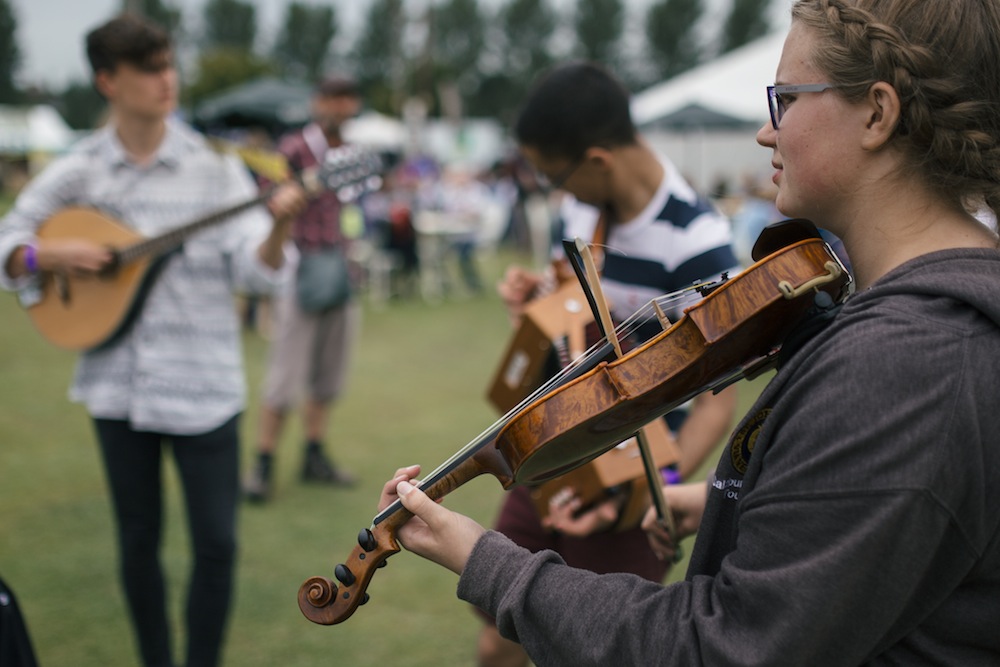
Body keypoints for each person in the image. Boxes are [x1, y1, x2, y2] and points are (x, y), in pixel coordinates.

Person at [379, 0, 1000, 664]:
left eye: (784, 99)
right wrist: (727, 496)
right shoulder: (918, 329)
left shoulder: (902, 364)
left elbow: (723, 647)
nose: (767, 133)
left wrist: (491, 563)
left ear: (878, 113)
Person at [0, 14, 304, 667]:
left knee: (217, 544)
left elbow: (258, 271)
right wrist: (48, 252)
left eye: (169, 65)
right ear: (108, 80)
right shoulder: (79, 169)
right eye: (149, 69)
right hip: (119, 387)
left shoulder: (215, 167)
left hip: (206, 384)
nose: (167, 80)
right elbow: (7, 245)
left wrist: (278, 229)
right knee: (138, 541)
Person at [478, 61, 740, 667]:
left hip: (630, 485)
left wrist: (660, 492)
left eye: (557, 177)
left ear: (597, 161)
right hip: (549, 451)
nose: (558, 193)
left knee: (599, 650)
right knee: (499, 635)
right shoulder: (578, 214)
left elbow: (716, 403)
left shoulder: (696, 241)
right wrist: (534, 306)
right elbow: (565, 318)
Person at [242, 75, 363, 502]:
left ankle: (314, 453)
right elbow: (266, 197)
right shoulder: (295, 147)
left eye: (347, 98)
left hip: (341, 268)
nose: (340, 106)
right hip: (299, 268)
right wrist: (286, 197)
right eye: (333, 97)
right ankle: (263, 462)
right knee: (285, 373)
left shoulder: (349, 151)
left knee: (329, 372)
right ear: (318, 102)